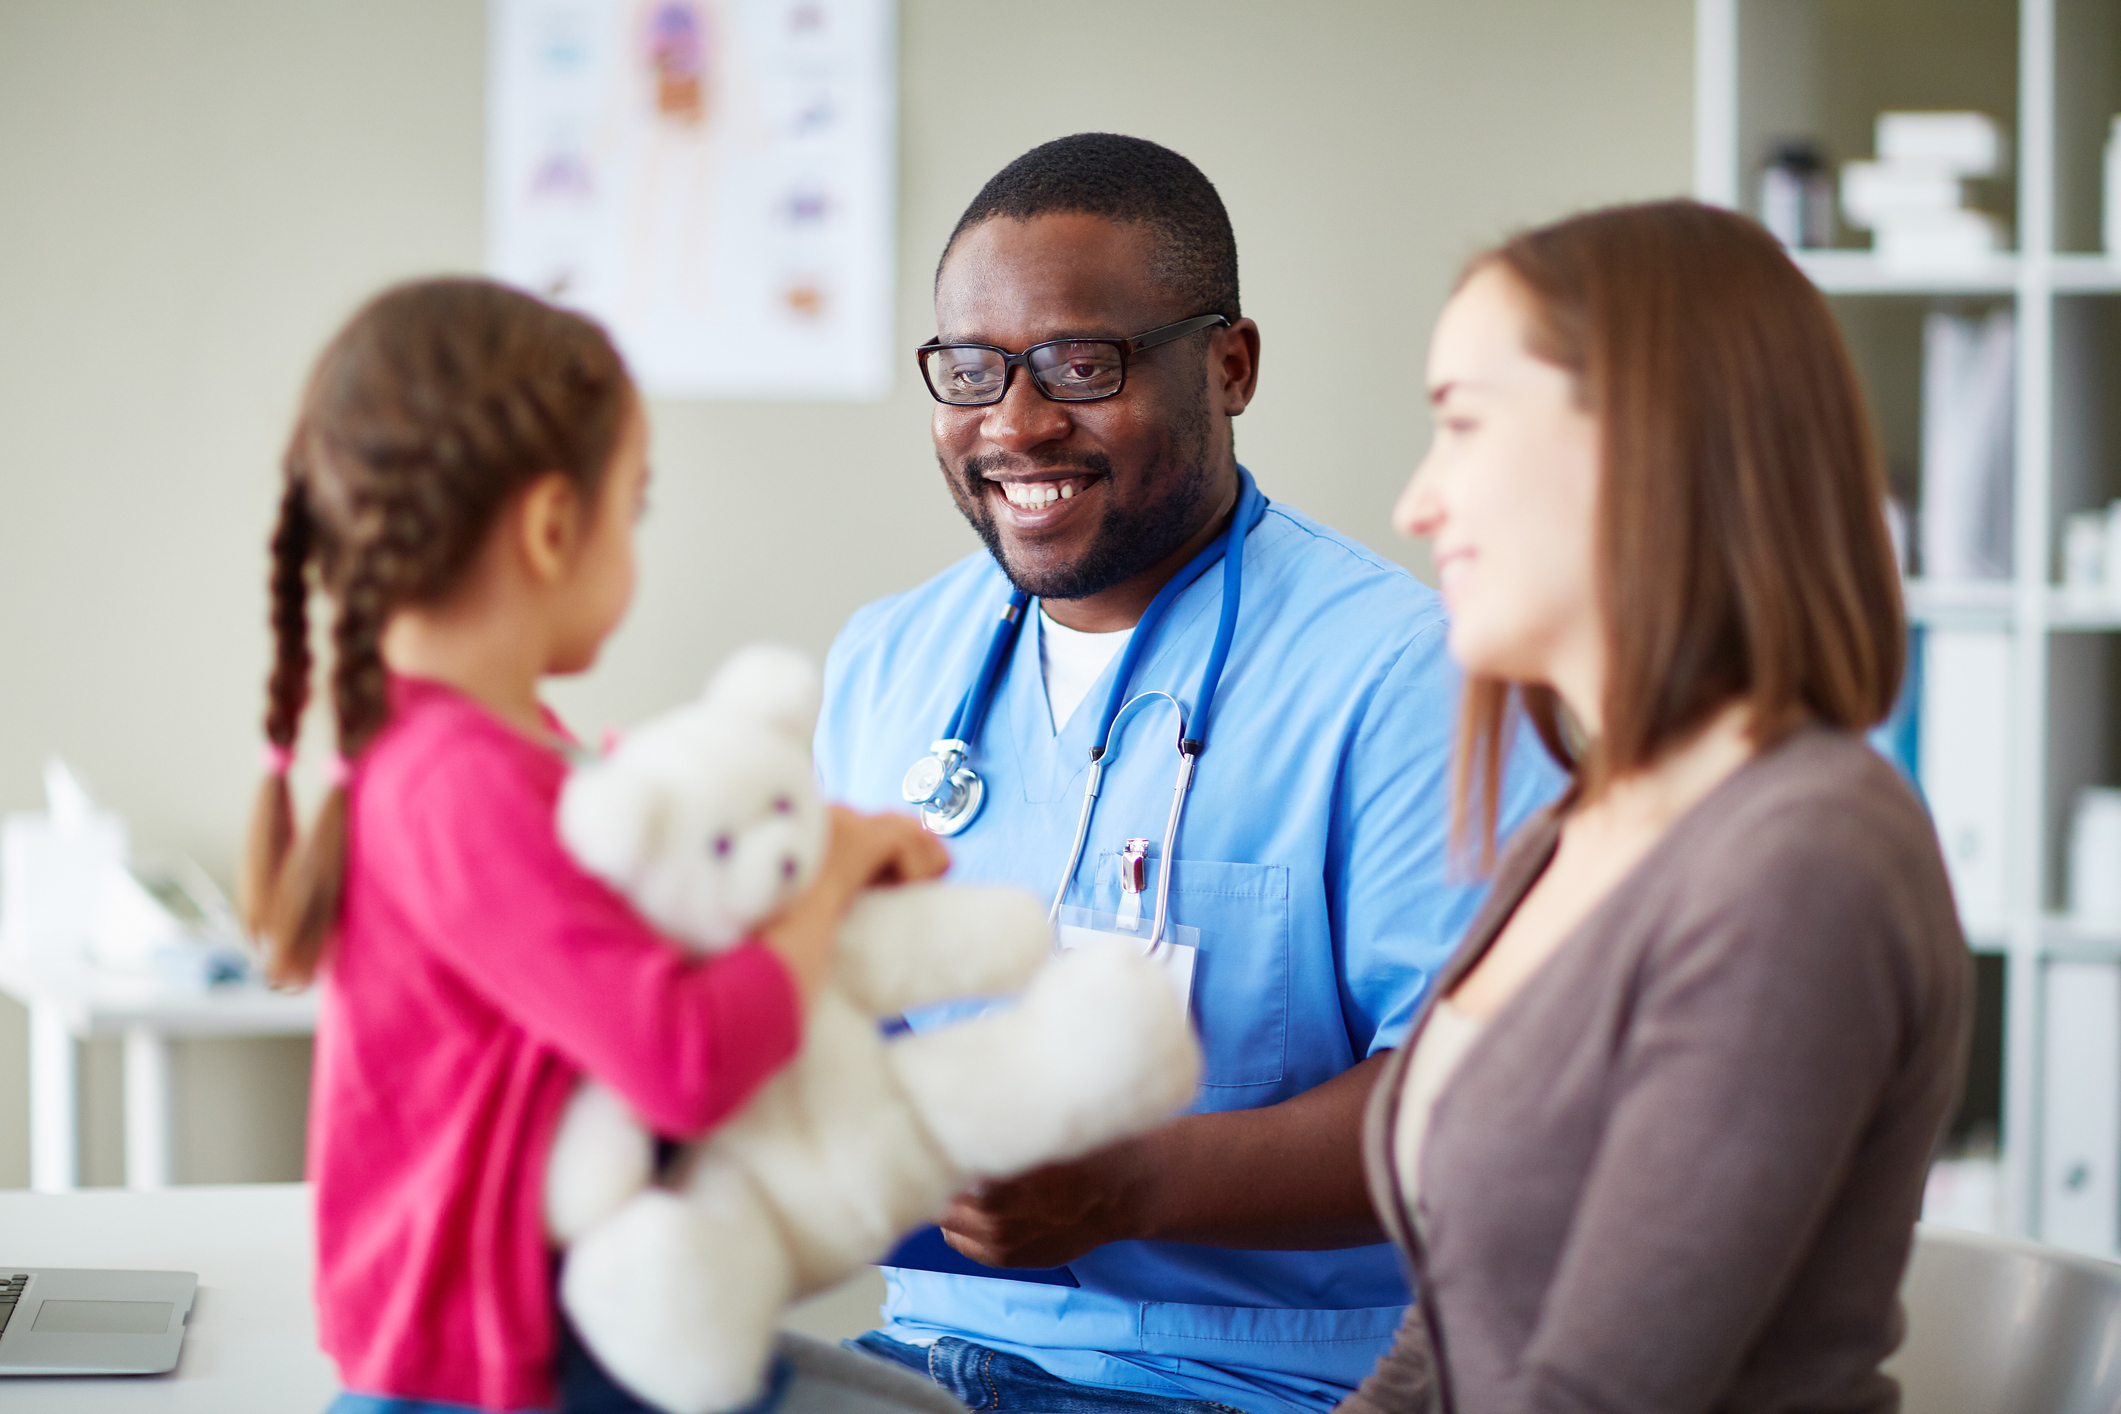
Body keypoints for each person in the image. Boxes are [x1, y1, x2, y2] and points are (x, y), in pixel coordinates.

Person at [815, 134, 1558, 1414]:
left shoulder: (1409, 679)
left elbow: (1473, 1109)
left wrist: (1124, 1185)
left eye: (1080, 365)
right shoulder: (887, 661)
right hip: (916, 1356)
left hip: (1243, 1379)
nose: (1016, 421)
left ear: (1230, 364)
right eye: (972, 369)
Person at [240, 278, 966, 1414]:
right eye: (635, 504)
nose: (633, 537)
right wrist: (820, 877)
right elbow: (685, 1062)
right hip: (492, 1376)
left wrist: (829, 850)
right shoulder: (458, 789)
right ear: (548, 526)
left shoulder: (492, 762)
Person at [1339, 200, 1973, 1414]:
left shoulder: (1804, 862)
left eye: (1462, 426)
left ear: (1645, 440)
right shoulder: (1581, 825)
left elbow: (1594, 1394)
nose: (1416, 504)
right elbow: (1447, 1345)